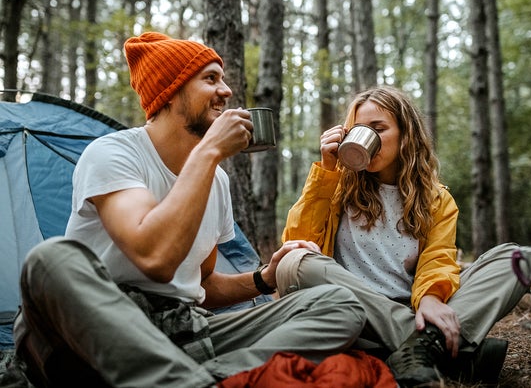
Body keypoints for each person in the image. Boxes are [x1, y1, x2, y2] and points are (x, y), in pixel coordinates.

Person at [12, 32, 368, 388]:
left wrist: (264, 278)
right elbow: (156, 258)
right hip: (97, 332)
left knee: (339, 305)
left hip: (183, 331)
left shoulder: (216, 182)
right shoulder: (114, 153)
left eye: (223, 79)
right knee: (49, 260)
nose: (227, 91)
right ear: (170, 92)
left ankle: (193, 380)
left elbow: (203, 284)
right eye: (210, 78)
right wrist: (209, 152)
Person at [281, 86, 529, 387]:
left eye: (379, 129)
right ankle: (433, 349)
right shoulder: (335, 186)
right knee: (296, 261)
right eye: (359, 130)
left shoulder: (436, 200)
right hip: (349, 313)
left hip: (414, 308)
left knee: (515, 259)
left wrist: (430, 297)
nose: (368, 138)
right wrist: (327, 170)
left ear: (405, 134)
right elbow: (298, 240)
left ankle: (414, 349)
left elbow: (438, 258)